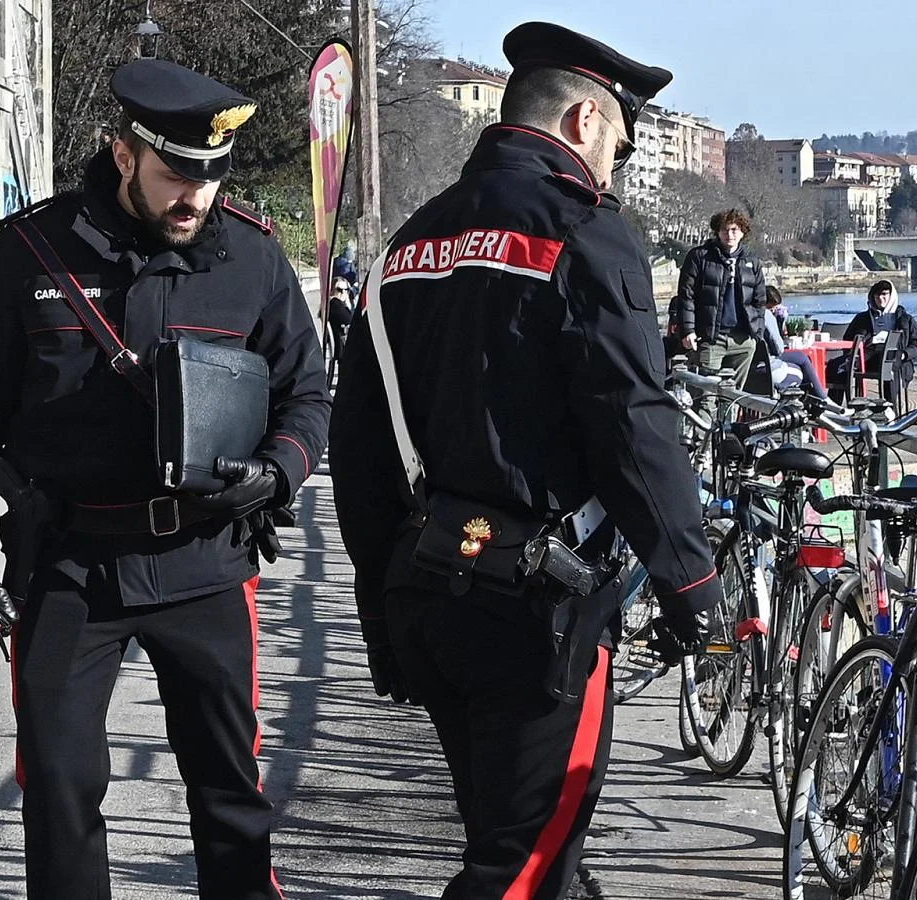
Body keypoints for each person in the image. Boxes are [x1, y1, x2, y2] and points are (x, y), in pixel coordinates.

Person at [329, 22, 720, 900]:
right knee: (522, 870)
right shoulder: (585, 233)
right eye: (617, 144)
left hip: (427, 587)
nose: (614, 167)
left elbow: (358, 447)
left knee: (522, 843)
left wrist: (380, 610)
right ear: (584, 122)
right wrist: (691, 586)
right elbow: (634, 424)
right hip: (539, 612)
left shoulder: (409, 245)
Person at [0, 59, 329, 899]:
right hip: (68, 565)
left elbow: (307, 392)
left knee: (229, 790)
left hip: (205, 565)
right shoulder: (31, 252)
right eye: (178, 174)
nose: (197, 197)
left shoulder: (250, 259)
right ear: (123, 155)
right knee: (61, 794)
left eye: (212, 177)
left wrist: (279, 471)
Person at [675, 209, 768, 383]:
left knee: (733, 399)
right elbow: (686, 296)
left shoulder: (752, 263)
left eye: (734, 230)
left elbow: (760, 301)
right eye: (724, 229)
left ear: (742, 232)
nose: (729, 234)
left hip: (743, 341)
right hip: (710, 339)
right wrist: (688, 330)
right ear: (717, 231)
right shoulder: (699, 257)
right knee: (705, 399)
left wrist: (757, 333)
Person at [832, 279, 917, 398]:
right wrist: (852, 353)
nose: (880, 298)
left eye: (884, 294)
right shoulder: (862, 318)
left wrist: (905, 354)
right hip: (867, 356)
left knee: (891, 364)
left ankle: (889, 406)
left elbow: (916, 345)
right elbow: (848, 339)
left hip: (895, 356)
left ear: (891, 295)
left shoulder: (906, 320)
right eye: (877, 295)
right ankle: (832, 406)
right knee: (837, 365)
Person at [762, 286, 827, 399]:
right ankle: (822, 398)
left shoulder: (748, 315)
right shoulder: (767, 316)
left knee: (800, 359)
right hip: (769, 369)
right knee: (801, 361)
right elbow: (779, 349)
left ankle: (820, 398)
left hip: (749, 370)